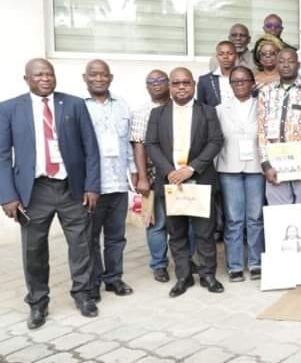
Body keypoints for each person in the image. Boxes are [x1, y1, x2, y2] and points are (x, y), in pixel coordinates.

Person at [1, 58, 101, 329]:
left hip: (72, 188)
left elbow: (91, 148)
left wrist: (92, 186)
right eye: (39, 75)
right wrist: (8, 196)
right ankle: (37, 302)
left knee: (81, 245)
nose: (45, 78)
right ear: (27, 79)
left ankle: (83, 295)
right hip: (34, 192)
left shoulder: (74, 104)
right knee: (33, 250)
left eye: (49, 74)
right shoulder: (9, 109)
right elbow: (1, 156)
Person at [145, 67, 224, 297]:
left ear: (193, 85)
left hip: (199, 178)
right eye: (176, 83)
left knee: (204, 231)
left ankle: (208, 275)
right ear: (170, 86)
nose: (181, 87)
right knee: (176, 232)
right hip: (171, 183)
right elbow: (151, 144)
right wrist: (170, 171)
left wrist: (191, 168)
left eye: (186, 83)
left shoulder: (207, 111)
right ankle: (183, 276)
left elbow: (216, 140)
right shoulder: (158, 114)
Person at [82, 60, 135, 301]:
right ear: (86, 78)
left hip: (118, 183)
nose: (99, 79)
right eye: (93, 75)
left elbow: (129, 144)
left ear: (110, 78)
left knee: (116, 236)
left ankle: (113, 278)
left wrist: (134, 171)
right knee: (91, 237)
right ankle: (93, 281)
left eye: (103, 75)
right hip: (93, 186)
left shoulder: (122, 105)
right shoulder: (78, 107)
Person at [131, 69, 189, 284]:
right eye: (151, 81)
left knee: (185, 218)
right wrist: (142, 177)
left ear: (170, 84)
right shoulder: (142, 112)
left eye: (161, 80)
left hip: (182, 174)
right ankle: (159, 264)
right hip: (155, 175)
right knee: (157, 222)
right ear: (147, 86)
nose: (156, 84)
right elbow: (139, 145)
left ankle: (186, 261)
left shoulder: (182, 107)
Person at [258, 48, 301, 206]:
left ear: (298, 64)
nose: (286, 65)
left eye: (290, 61)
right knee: (279, 217)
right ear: (276, 64)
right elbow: (261, 130)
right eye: (281, 61)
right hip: (275, 165)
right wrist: (266, 164)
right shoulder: (266, 92)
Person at [215, 66, 264, 282]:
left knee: (255, 218)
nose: (240, 84)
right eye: (236, 81)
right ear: (230, 84)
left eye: (245, 80)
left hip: (256, 168)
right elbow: (215, 140)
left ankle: (256, 262)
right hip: (229, 168)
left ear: (253, 83)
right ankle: (234, 265)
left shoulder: (262, 106)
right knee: (234, 219)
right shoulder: (219, 109)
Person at [198, 41, 238, 107]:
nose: (225, 57)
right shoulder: (205, 80)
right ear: (216, 57)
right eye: (221, 54)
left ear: (236, 56)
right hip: (214, 117)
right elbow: (201, 107)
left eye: (230, 53)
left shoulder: (245, 79)